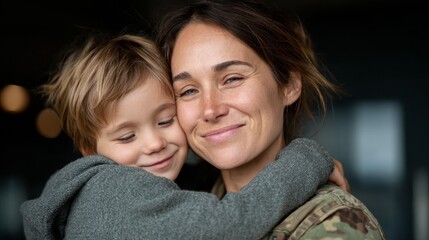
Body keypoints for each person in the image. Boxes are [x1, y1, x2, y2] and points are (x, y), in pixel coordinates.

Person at [20, 33, 341, 239]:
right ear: (91, 150)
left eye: (165, 120)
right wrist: (306, 160)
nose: (155, 143)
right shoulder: (110, 192)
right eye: (127, 137)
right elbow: (228, 224)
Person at [154, 0, 386, 239]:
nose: (210, 110)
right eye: (188, 91)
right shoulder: (176, 204)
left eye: (232, 79)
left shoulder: (334, 224)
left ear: (289, 85)